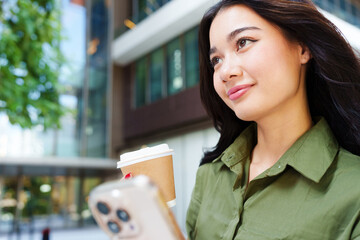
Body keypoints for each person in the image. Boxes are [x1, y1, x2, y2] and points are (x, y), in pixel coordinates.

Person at [186, 0, 360, 239]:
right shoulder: (209, 175)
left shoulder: (354, 191)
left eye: (243, 42)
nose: (225, 72)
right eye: (216, 60)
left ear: (302, 47)